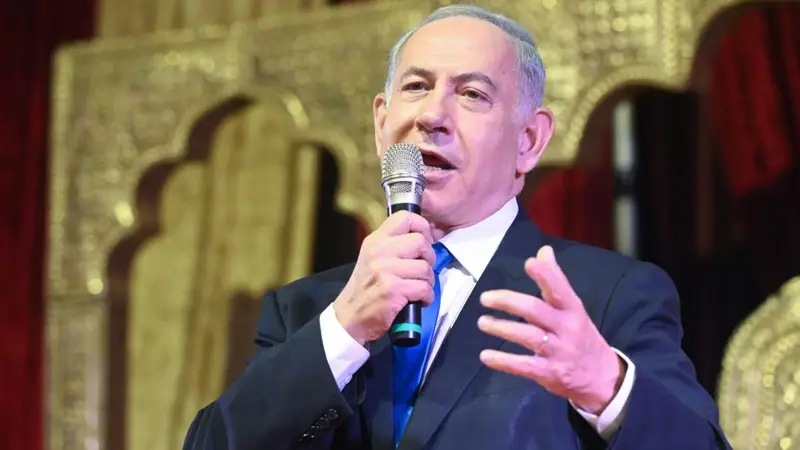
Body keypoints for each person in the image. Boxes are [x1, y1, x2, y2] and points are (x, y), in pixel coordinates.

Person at [183, 5, 732, 450]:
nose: (432, 115)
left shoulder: (604, 296)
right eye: (416, 87)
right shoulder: (305, 311)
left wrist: (604, 387)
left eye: (472, 94)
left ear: (529, 141)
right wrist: (345, 329)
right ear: (381, 123)